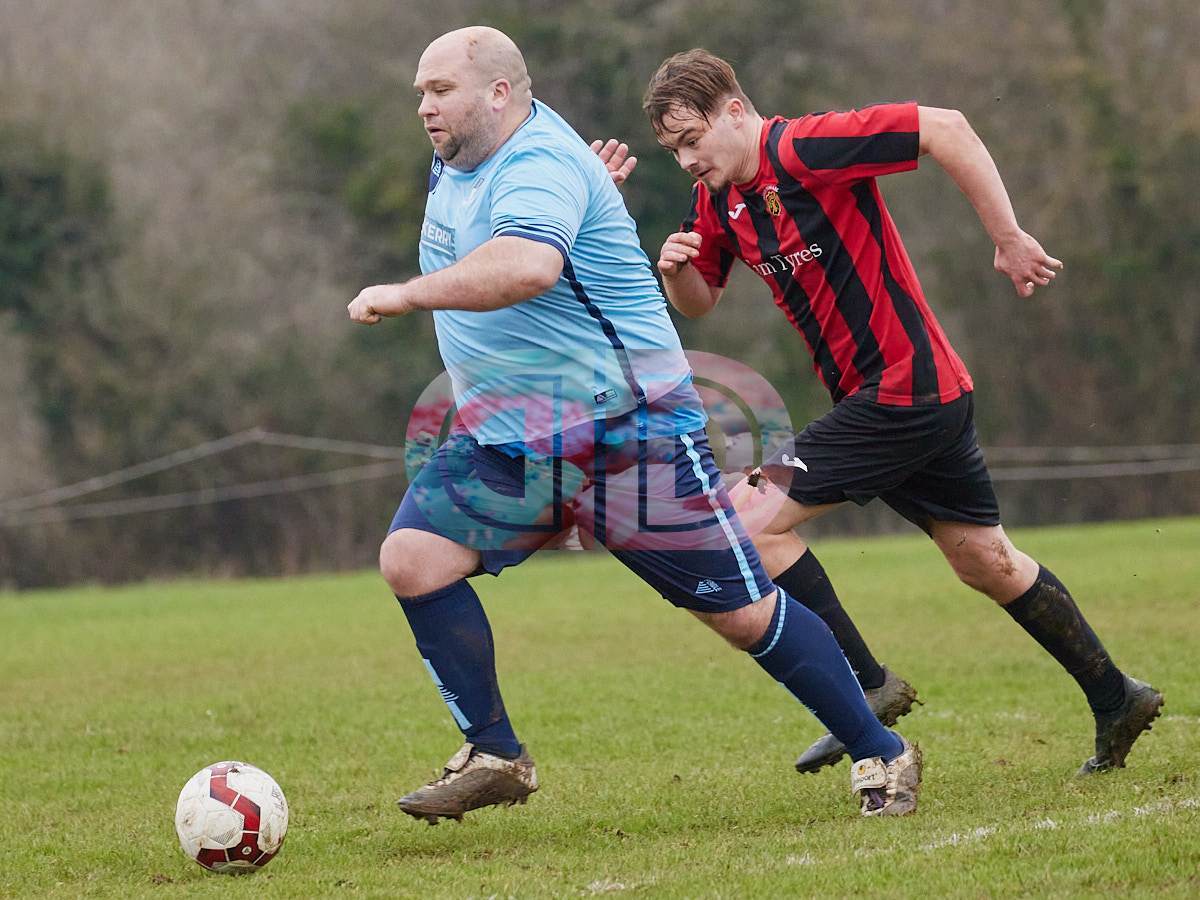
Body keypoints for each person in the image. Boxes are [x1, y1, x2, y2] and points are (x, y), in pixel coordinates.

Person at [346, 27, 922, 822]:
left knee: (741, 613)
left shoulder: (539, 164)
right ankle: (496, 753)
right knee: (413, 559)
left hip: (623, 431)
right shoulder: (461, 155)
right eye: (421, 92)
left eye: (441, 90)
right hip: (506, 438)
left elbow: (530, 265)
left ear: (499, 95)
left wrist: (407, 293)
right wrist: (587, 191)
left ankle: (882, 749)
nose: (424, 106)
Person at [638, 49, 1162, 776]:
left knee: (748, 519)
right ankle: (1116, 697)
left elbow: (947, 128)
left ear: (734, 111)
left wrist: (1008, 237)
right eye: (674, 150)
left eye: (692, 140)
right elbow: (701, 301)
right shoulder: (717, 201)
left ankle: (867, 685)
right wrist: (675, 273)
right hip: (903, 397)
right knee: (985, 560)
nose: (687, 160)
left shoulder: (805, 147)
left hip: (903, 390)